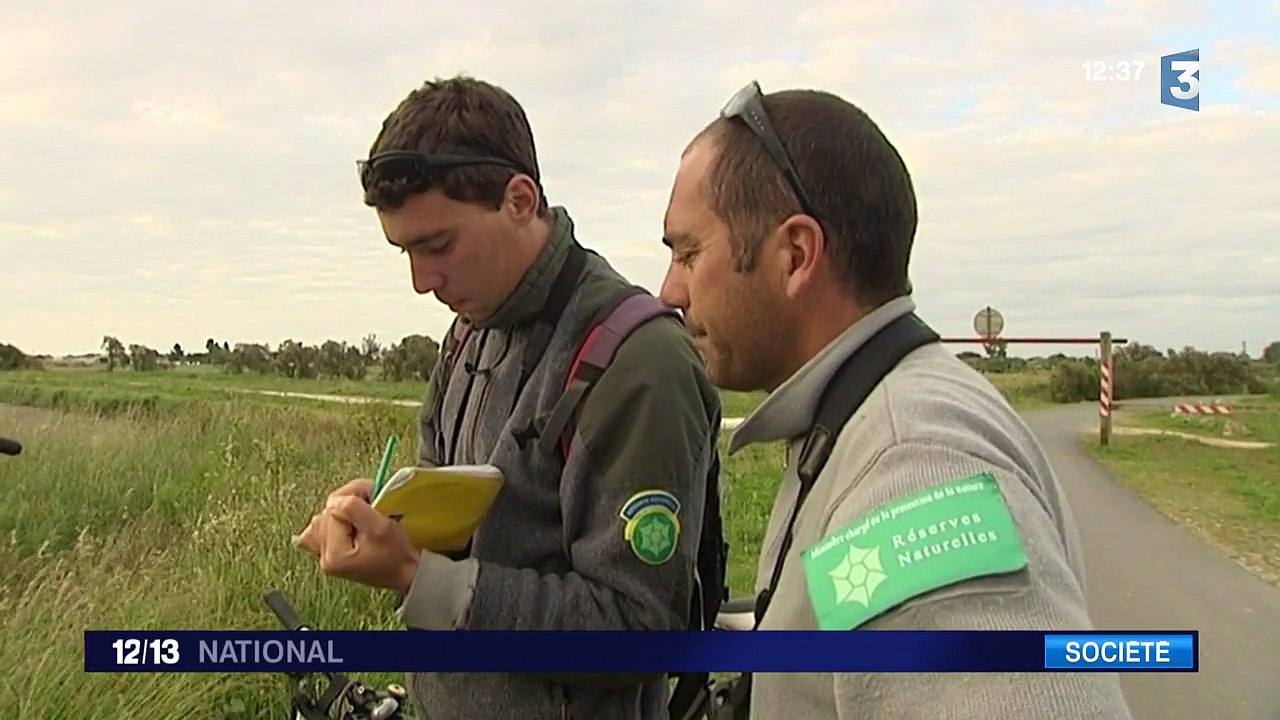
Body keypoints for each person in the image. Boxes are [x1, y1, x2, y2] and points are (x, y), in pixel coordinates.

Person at [656, 80, 1133, 719]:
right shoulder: (857, 420)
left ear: (795, 255)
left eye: (689, 252)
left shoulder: (912, 465)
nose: (669, 291)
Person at [293, 75, 725, 720]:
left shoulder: (638, 362)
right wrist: (389, 521)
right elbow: (452, 530)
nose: (420, 281)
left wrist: (418, 577)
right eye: (405, 251)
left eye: (437, 245)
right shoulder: (467, 334)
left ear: (520, 200)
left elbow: (641, 632)